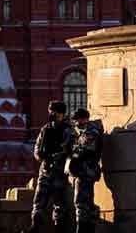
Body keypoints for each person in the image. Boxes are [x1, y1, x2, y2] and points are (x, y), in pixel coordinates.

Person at [27, 100, 73, 233]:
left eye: (55, 112)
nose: (51, 114)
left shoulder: (67, 130)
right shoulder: (46, 128)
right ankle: (35, 227)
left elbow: (69, 149)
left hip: (59, 172)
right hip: (45, 170)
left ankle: (59, 228)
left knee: (59, 203)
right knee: (39, 201)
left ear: (61, 114)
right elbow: (37, 148)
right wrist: (41, 156)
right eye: (50, 111)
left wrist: (57, 157)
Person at [65, 109, 103, 233]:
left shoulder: (91, 132)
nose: (76, 123)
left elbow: (83, 150)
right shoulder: (82, 132)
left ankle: (82, 228)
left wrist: (71, 150)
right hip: (83, 171)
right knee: (86, 201)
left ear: (84, 119)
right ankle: (88, 226)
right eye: (74, 120)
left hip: (86, 171)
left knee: (81, 201)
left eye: (77, 120)